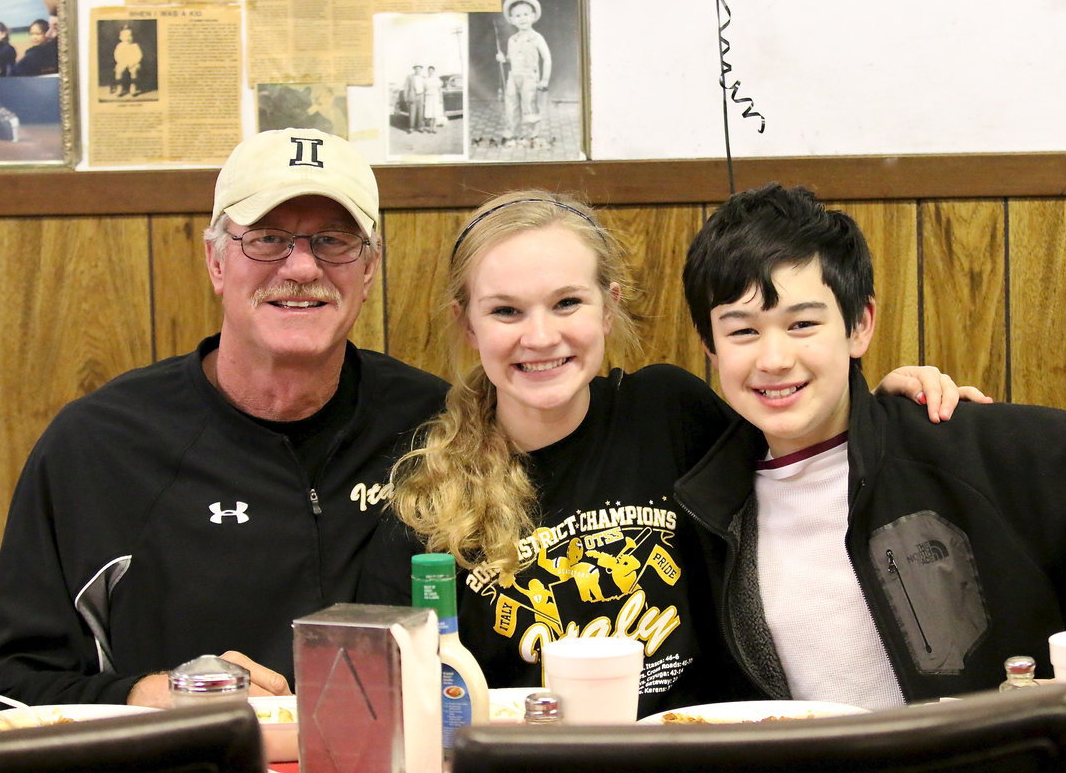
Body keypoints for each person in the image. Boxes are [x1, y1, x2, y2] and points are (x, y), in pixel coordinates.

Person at [356, 190, 986, 716]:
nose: (540, 335)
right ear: (470, 325)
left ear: (609, 308)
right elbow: (392, 706)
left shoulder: (670, 411)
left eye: (568, 302)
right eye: (506, 311)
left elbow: (797, 445)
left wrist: (881, 407)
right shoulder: (426, 498)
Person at [676, 182, 1066, 711]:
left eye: (803, 324)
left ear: (859, 326)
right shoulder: (708, 501)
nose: (775, 358)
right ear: (711, 350)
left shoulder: (962, 447)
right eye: (742, 332)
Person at [0, 128, 448, 710]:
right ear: (216, 261)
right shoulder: (99, 445)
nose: (303, 266)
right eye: (267, 238)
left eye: (334, 240)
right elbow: (6, 684)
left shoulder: (439, 429)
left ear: (370, 268)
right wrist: (153, 694)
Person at [496, 0, 551, 146]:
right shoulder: (512, 40)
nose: (522, 19)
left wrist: (545, 79)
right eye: (518, 16)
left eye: (526, 14)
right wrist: (503, 59)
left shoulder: (537, 38)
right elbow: (510, 59)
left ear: (533, 16)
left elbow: (547, 59)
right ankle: (512, 134)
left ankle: (532, 136)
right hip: (513, 77)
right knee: (511, 105)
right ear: (512, 20)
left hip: (530, 77)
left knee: (529, 105)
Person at [111, 25, 142, 97]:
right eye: (125, 36)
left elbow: (139, 55)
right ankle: (119, 87)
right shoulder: (120, 46)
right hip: (122, 62)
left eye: (129, 36)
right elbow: (117, 55)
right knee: (118, 70)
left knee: (134, 70)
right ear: (120, 37)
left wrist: (134, 62)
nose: (127, 38)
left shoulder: (135, 45)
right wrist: (121, 62)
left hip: (133, 63)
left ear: (132, 37)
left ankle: (133, 87)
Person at [404, 64, 426, 133]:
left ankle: (420, 127)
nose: (418, 70)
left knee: (421, 112)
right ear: (414, 69)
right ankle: (411, 127)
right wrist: (406, 97)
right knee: (412, 112)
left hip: (421, 95)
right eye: (416, 68)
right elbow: (406, 87)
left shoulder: (423, 77)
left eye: (419, 68)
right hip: (413, 96)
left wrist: (425, 97)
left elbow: (425, 88)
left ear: (421, 69)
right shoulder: (410, 77)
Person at [422, 65, 443, 133]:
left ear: (433, 71)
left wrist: (440, 98)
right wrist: (424, 99)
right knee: (429, 113)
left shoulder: (437, 79)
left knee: (435, 113)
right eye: (429, 71)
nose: (430, 72)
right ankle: (430, 128)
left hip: (435, 97)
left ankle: (434, 128)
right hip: (428, 97)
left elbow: (439, 90)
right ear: (428, 71)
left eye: (431, 71)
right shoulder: (425, 80)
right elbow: (424, 90)